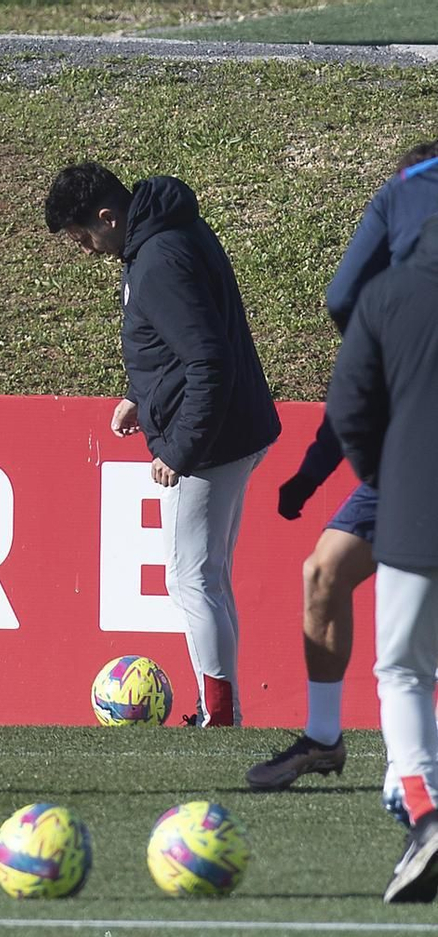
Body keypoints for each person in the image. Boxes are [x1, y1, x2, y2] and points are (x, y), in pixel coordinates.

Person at [45, 162, 280, 727]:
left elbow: (208, 361)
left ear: (108, 216)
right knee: (209, 576)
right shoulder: (168, 233)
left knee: (188, 577)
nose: (83, 249)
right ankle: (222, 708)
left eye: (83, 237)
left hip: (212, 439)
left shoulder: (155, 262)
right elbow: (190, 339)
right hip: (234, 427)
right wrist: (139, 394)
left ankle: (218, 713)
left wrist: (178, 448)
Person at [247, 141, 438, 796]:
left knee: (410, 647)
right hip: (406, 461)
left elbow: (342, 300)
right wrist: (311, 473)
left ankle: (416, 785)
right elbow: (356, 395)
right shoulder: (398, 312)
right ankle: (324, 738)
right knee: (324, 570)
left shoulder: (396, 257)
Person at [324, 212, 438, 903]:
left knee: (401, 668)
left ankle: (424, 812)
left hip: (418, 509)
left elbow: (351, 408)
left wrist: (386, 478)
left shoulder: (389, 293)